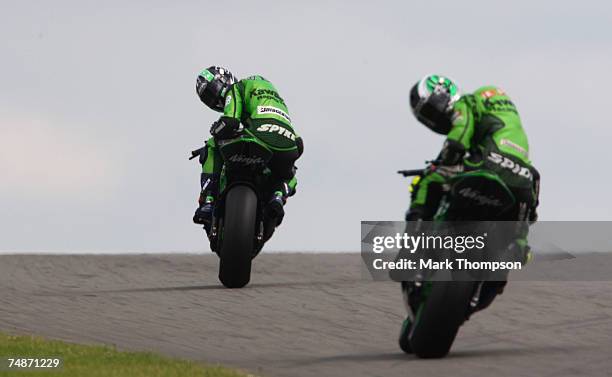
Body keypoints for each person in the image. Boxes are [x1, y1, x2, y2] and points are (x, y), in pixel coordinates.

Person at [398, 74, 540, 350]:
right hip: (523, 179)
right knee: (513, 245)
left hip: (486, 166)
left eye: (429, 111)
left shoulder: (468, 103)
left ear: (441, 95)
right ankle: (514, 249)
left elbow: (461, 131)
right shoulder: (499, 110)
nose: (432, 120)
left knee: (426, 182)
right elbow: (531, 193)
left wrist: (446, 157)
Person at [192, 66, 303, 228]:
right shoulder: (272, 94)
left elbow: (231, 122)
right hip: (289, 140)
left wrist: (216, 129)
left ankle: (207, 202)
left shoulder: (237, 88)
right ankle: (278, 196)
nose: (214, 100)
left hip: (259, 136)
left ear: (224, 80)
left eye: (212, 91)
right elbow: (299, 144)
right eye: (208, 99)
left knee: (212, 144)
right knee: (289, 172)